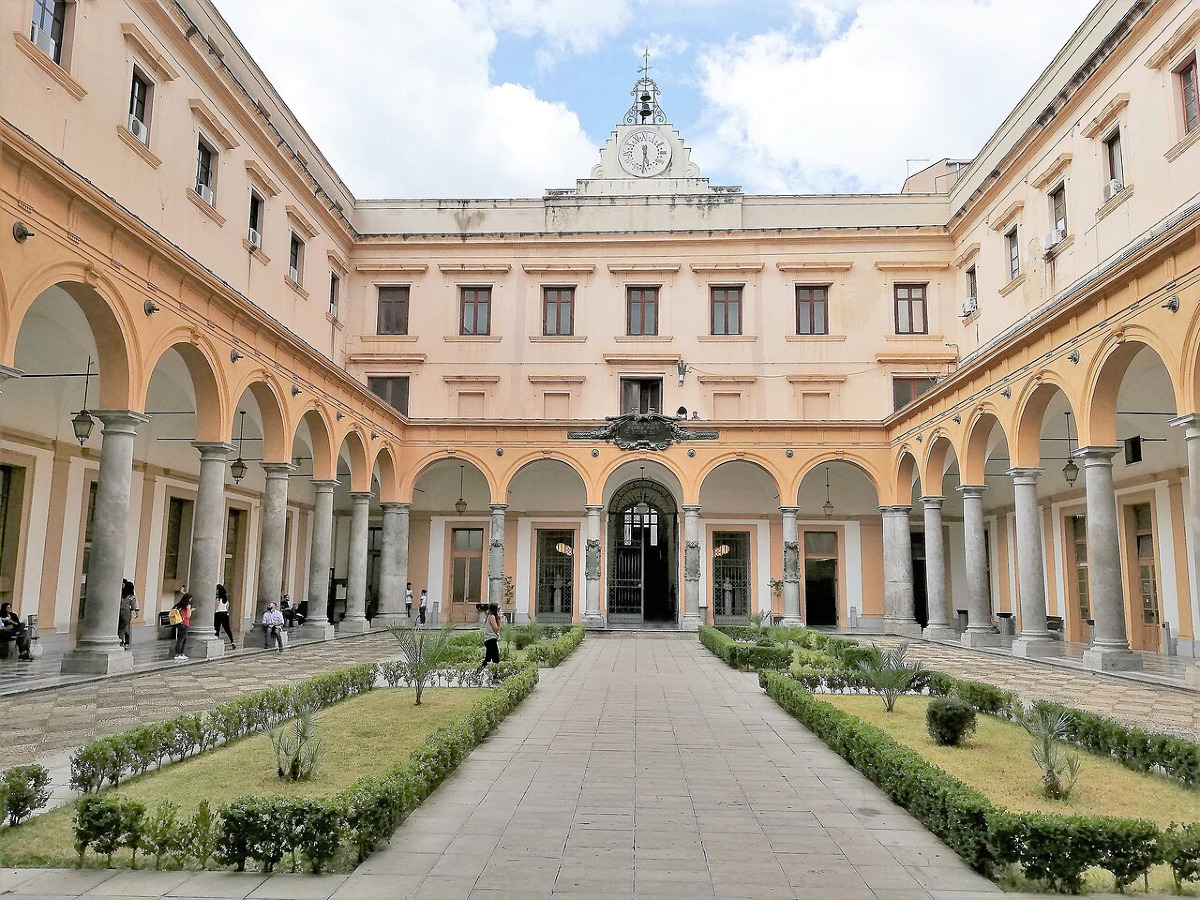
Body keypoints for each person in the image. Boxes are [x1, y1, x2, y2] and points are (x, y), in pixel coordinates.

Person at [475, 602, 501, 675]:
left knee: (488, 659)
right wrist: (499, 620)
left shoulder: (489, 616)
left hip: (489, 640)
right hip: (491, 640)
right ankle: (495, 675)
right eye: (498, 609)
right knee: (496, 658)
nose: (499, 611)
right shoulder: (492, 617)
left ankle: (478, 672)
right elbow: (496, 628)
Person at [118, 579, 139, 650]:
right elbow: (133, 606)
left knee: (120, 626)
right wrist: (136, 611)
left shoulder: (121, 595)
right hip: (126, 612)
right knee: (124, 627)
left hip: (119, 611)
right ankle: (122, 641)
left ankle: (121, 640)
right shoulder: (131, 596)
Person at [172, 593, 193, 660]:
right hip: (185, 623)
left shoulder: (179, 604)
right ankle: (178, 654)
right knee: (182, 640)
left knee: (182, 639)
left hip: (179, 622)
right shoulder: (188, 605)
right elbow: (188, 616)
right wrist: (191, 610)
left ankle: (180, 653)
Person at [214, 584, 235, 649]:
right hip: (225, 614)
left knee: (216, 628)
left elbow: (215, 607)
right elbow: (227, 607)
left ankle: (215, 640)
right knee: (227, 629)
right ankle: (232, 641)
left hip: (218, 614)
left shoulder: (217, 599)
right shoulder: (226, 599)